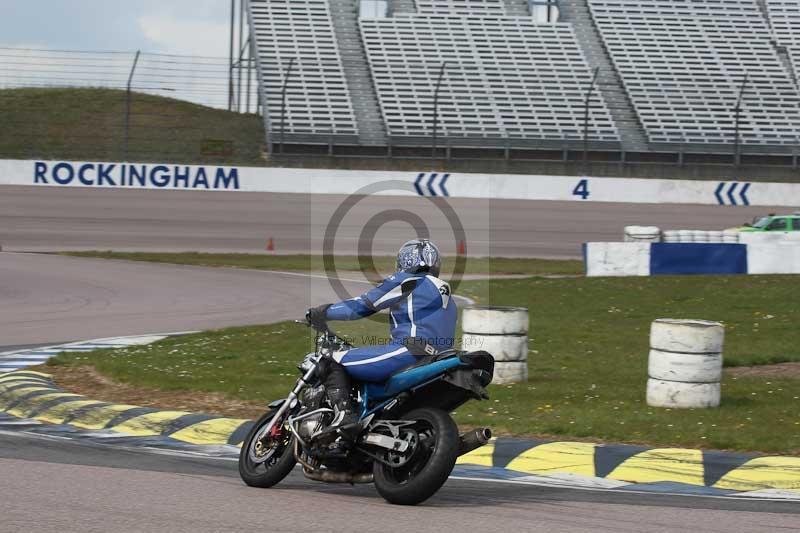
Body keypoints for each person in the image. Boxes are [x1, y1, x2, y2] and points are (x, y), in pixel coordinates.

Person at [305, 239, 457, 441]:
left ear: (406, 260)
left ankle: (344, 416)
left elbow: (363, 305)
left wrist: (323, 312)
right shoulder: (447, 297)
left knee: (332, 360)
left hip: (410, 350)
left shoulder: (408, 280)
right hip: (438, 358)